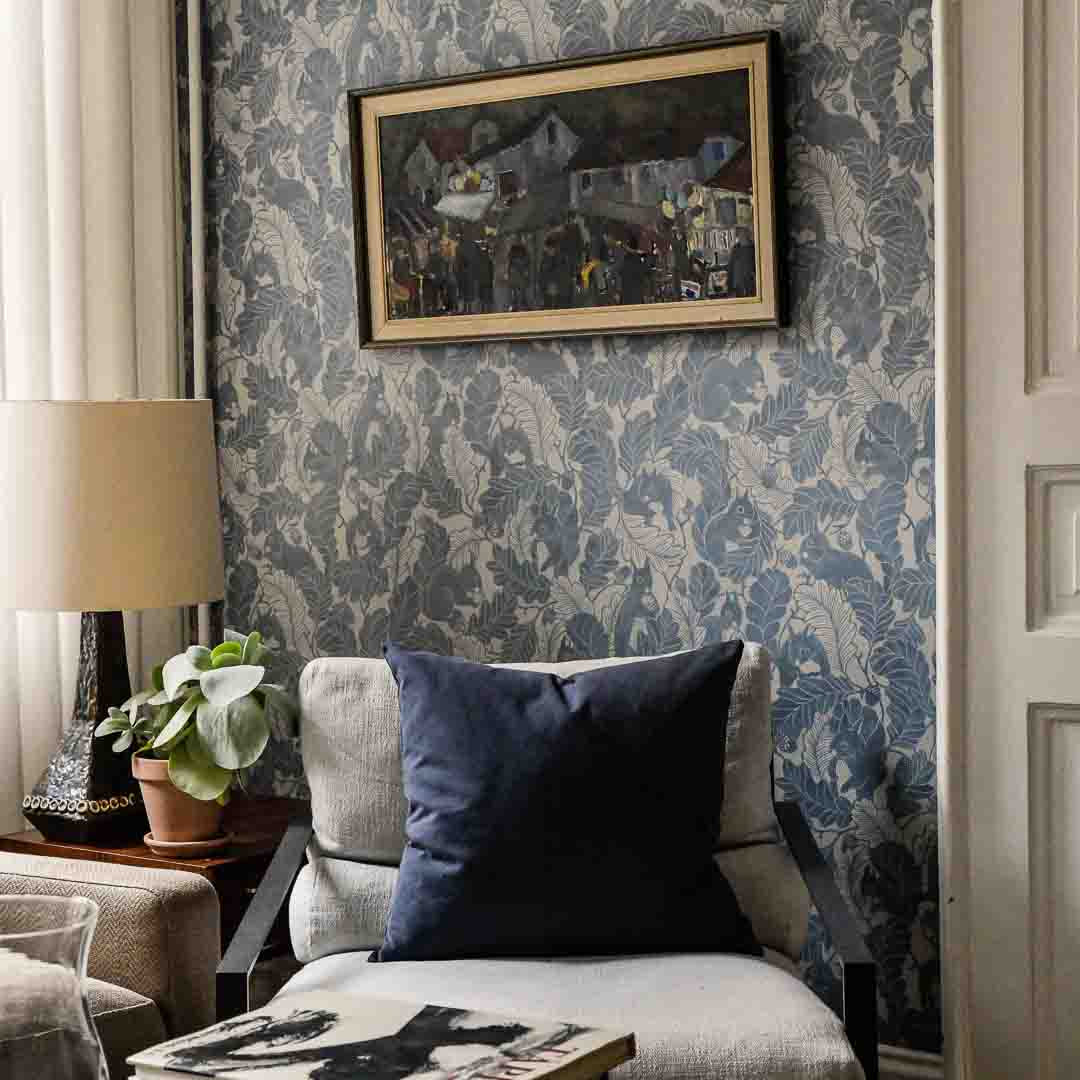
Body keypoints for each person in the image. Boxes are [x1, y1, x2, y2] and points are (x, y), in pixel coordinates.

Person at [508, 241, 530, 310]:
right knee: (520, 295)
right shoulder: (524, 255)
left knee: (517, 295)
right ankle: (521, 305)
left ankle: (517, 305)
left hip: (517, 279)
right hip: (519, 280)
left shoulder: (513, 255)